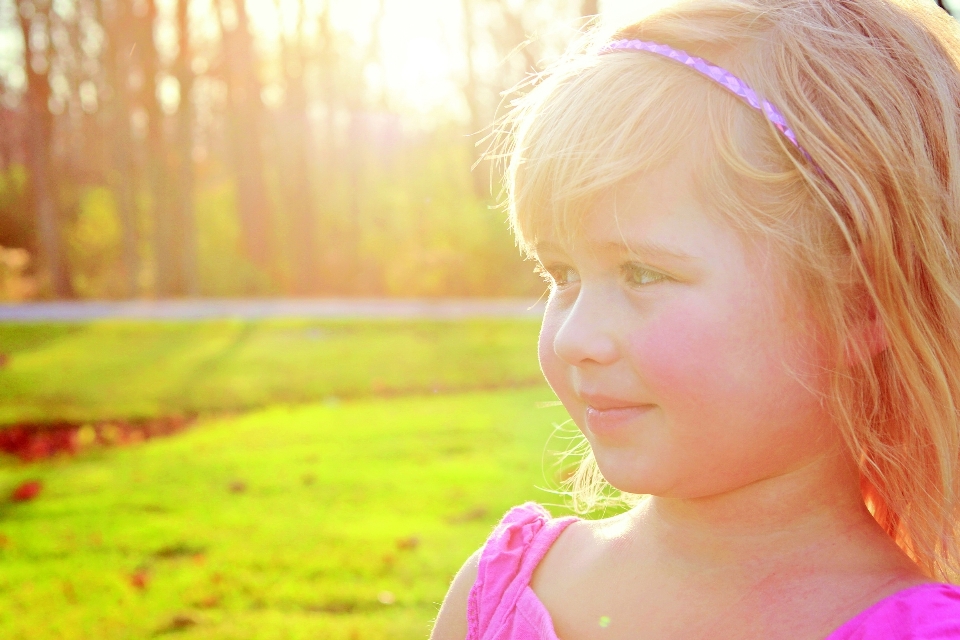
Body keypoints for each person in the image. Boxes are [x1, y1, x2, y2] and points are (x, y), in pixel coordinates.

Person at [430, 0, 960, 638]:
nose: (574, 339)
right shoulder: (499, 593)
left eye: (643, 274)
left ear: (859, 305)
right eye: (561, 275)